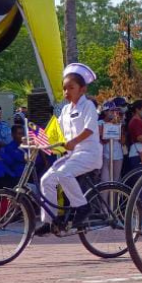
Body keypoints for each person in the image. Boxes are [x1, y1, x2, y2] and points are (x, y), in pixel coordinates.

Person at [33, 64, 103, 236]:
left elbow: (90, 129)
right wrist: (36, 139)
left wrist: (72, 142)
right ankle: (49, 221)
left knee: (63, 174)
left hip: (88, 154)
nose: (67, 92)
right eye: (64, 88)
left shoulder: (88, 106)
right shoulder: (65, 110)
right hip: (72, 156)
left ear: (83, 89)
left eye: (71, 87)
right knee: (46, 180)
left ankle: (82, 207)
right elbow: (57, 134)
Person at [99, 102, 126, 183]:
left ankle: (115, 196)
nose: (114, 113)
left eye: (115, 111)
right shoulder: (99, 123)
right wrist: (111, 126)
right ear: (105, 112)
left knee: (116, 180)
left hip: (118, 156)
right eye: (111, 111)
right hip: (105, 156)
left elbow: (123, 141)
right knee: (105, 181)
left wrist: (119, 128)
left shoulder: (118, 123)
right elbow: (104, 140)